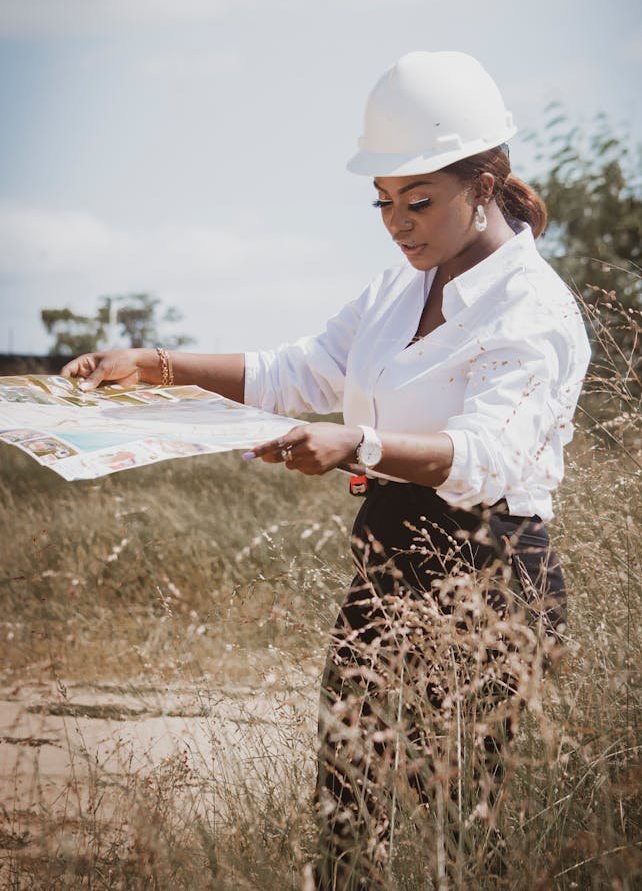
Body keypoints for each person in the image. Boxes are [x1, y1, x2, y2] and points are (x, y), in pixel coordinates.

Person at [62, 51, 591, 888]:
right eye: (383, 202)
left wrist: (361, 447)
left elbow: (489, 459)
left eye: (418, 201)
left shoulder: (536, 310)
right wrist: (157, 364)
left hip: (490, 582)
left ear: (486, 184)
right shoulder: (392, 292)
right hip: (383, 567)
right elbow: (295, 371)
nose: (397, 222)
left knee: (460, 830)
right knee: (346, 809)